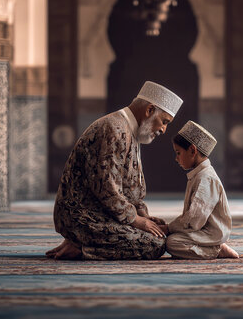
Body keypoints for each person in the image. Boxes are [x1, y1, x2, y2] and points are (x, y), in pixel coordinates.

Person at [46, 81, 183, 260]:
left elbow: (128, 187)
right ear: (149, 110)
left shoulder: (129, 130)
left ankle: (81, 242)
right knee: (155, 245)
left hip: (103, 211)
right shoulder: (114, 129)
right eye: (164, 122)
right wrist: (137, 221)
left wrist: (143, 216)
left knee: (158, 232)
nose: (164, 130)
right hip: (82, 217)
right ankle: (82, 247)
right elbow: (106, 189)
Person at [159, 121, 239, 259]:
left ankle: (215, 250)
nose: (176, 158)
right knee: (172, 237)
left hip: (210, 232)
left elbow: (194, 220)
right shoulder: (199, 175)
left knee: (172, 243)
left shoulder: (205, 179)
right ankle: (212, 246)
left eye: (178, 153)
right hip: (200, 229)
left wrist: (168, 228)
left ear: (192, 150)